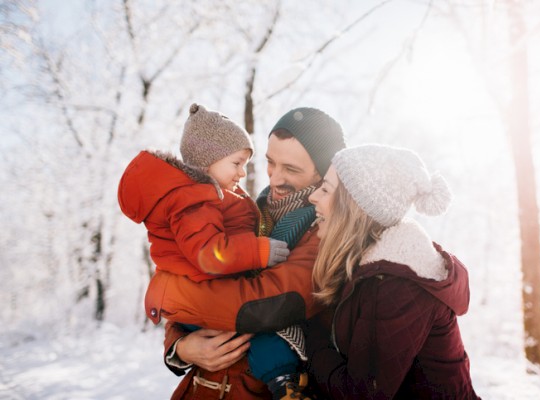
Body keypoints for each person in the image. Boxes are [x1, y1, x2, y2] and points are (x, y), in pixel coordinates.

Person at [143, 107, 347, 399]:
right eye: (270, 163)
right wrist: (181, 348)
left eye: (291, 169)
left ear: (323, 171)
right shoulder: (246, 211)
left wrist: (170, 293)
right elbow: (198, 275)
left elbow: (268, 304)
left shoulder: (325, 231)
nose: (275, 179)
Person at [305, 144, 480, 399]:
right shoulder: (367, 266)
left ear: (352, 206)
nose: (313, 196)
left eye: (326, 189)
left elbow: (361, 394)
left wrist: (307, 333)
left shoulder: (396, 287)